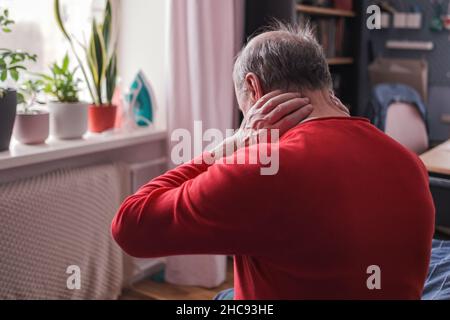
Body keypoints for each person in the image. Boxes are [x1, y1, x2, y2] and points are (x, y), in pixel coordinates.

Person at [111, 23, 435, 300]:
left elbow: (129, 225)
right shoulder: (409, 162)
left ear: (254, 90)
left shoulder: (262, 168)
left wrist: (232, 145)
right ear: (323, 82)